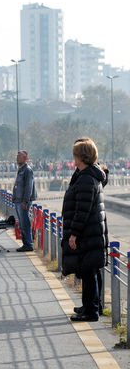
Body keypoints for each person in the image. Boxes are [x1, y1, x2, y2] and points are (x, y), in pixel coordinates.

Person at [62, 138, 108, 322]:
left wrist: (74, 234)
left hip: (88, 233)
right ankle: (91, 305)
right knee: (91, 271)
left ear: (81, 156)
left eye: (75, 154)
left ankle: (92, 311)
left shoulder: (87, 178)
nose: (73, 158)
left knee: (89, 272)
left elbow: (82, 209)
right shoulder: (87, 175)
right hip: (91, 231)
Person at [12, 150, 36, 252]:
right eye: (17, 156)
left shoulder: (27, 170)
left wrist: (25, 201)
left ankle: (28, 244)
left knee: (25, 222)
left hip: (23, 201)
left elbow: (28, 187)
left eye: (20, 156)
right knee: (21, 223)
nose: (17, 158)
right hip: (18, 200)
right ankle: (25, 243)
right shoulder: (21, 170)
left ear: (25, 158)